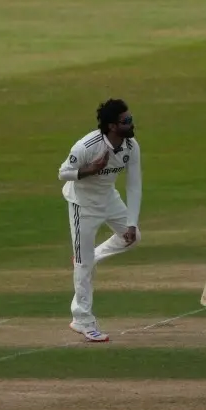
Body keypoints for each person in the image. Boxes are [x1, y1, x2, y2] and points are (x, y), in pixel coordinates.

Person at [57, 98, 142, 342]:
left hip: (109, 200)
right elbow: (62, 173)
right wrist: (91, 170)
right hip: (82, 206)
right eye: (126, 121)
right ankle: (82, 319)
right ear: (112, 126)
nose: (131, 124)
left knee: (133, 239)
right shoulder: (87, 146)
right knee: (83, 265)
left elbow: (134, 185)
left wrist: (132, 223)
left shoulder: (131, 146)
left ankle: (89, 255)